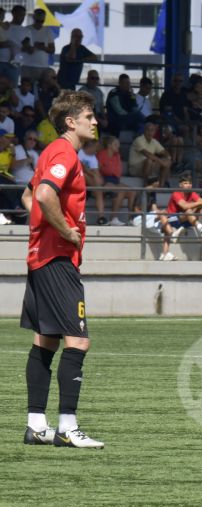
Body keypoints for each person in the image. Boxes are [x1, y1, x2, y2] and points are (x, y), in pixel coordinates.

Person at [18, 90, 104, 448]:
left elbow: (28, 195)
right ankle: (68, 427)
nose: (95, 121)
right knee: (78, 339)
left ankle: (37, 426)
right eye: (89, 116)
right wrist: (65, 230)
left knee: (46, 340)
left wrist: (42, 225)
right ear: (71, 122)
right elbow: (42, 195)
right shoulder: (64, 152)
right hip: (56, 259)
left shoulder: (54, 153)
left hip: (42, 257)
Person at [96, 134, 138, 225]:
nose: (118, 146)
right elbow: (99, 170)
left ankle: (131, 219)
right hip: (104, 181)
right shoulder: (101, 154)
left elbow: (117, 172)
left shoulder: (117, 155)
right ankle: (113, 218)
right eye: (116, 144)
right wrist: (108, 172)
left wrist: (108, 169)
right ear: (109, 145)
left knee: (133, 192)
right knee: (121, 191)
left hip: (115, 180)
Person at [167, 172, 202, 237]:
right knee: (189, 210)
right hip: (173, 219)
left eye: (190, 183)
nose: (188, 185)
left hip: (187, 219)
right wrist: (198, 203)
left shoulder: (192, 193)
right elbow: (185, 206)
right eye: (185, 183)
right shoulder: (176, 193)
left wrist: (197, 205)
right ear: (180, 185)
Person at [128, 122, 171, 189]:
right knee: (149, 160)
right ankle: (146, 184)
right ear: (144, 130)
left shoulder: (154, 141)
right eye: (148, 130)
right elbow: (147, 154)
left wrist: (168, 157)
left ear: (155, 132)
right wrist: (162, 162)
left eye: (152, 130)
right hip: (135, 169)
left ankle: (161, 186)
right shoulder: (139, 140)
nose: (150, 132)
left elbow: (164, 152)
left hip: (148, 167)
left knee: (167, 161)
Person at [20, 8, 55, 83]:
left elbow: (52, 50)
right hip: (27, 65)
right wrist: (30, 48)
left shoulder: (48, 30)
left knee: (42, 89)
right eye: (37, 21)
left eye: (42, 21)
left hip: (43, 67)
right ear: (33, 18)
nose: (39, 23)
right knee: (26, 88)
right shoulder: (26, 29)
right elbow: (20, 48)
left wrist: (43, 48)